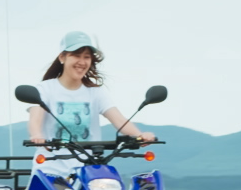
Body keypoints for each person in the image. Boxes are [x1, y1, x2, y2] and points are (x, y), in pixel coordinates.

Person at [26, 31, 156, 179]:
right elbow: (35, 119)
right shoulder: (45, 89)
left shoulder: (95, 93)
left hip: (87, 170)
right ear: (62, 57)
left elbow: (119, 120)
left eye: (87, 57)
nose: (82, 62)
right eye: (76, 55)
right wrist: (37, 135)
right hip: (50, 169)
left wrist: (139, 135)